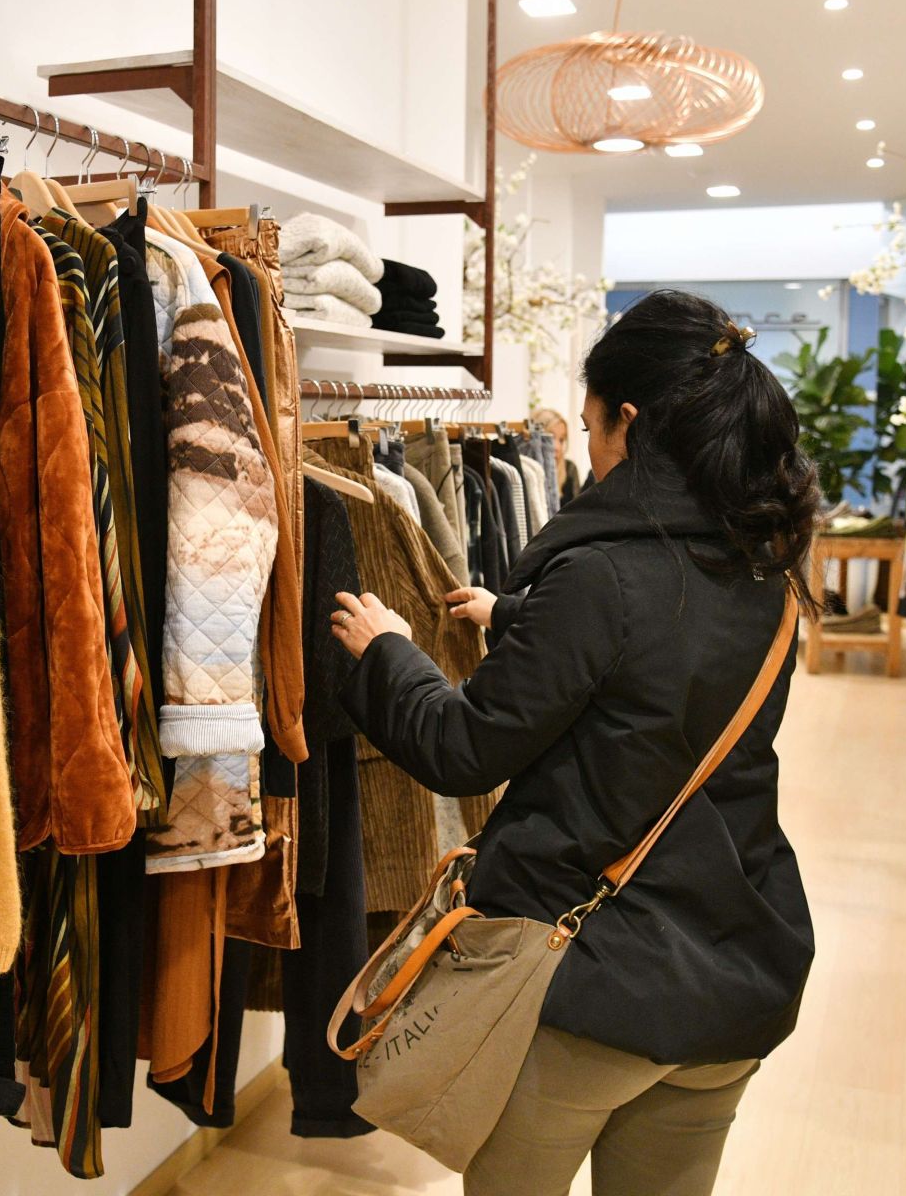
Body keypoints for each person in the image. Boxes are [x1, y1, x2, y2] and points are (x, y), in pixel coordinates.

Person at [329, 289, 819, 1196]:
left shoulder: (598, 574)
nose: (587, 451)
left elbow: (462, 749)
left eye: (591, 427)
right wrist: (514, 614)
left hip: (592, 984)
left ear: (629, 421)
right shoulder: (764, 569)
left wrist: (388, 653)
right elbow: (666, 656)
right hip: (731, 976)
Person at [529, 405, 584, 505]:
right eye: (550, 438)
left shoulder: (570, 469)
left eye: (561, 440)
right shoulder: (528, 471)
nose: (557, 447)